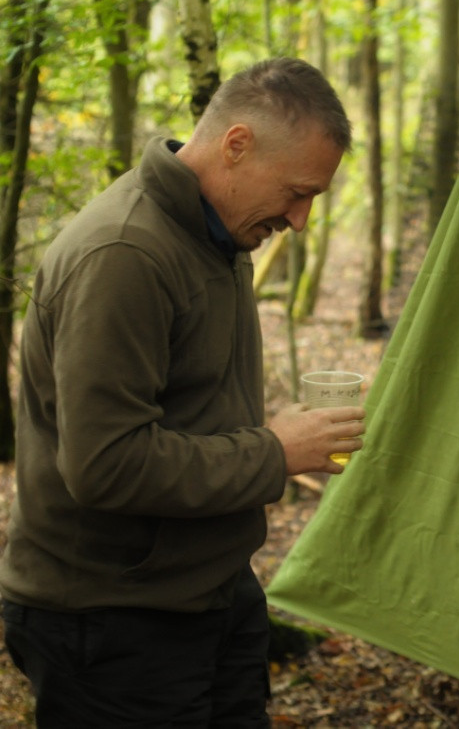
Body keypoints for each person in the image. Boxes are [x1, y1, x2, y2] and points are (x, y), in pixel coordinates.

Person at [0, 57, 365, 727]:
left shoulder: (216, 237)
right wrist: (272, 452)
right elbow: (105, 463)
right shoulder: (126, 253)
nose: (302, 219)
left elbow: (190, 410)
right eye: (297, 191)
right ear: (236, 146)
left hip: (208, 594)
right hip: (110, 622)